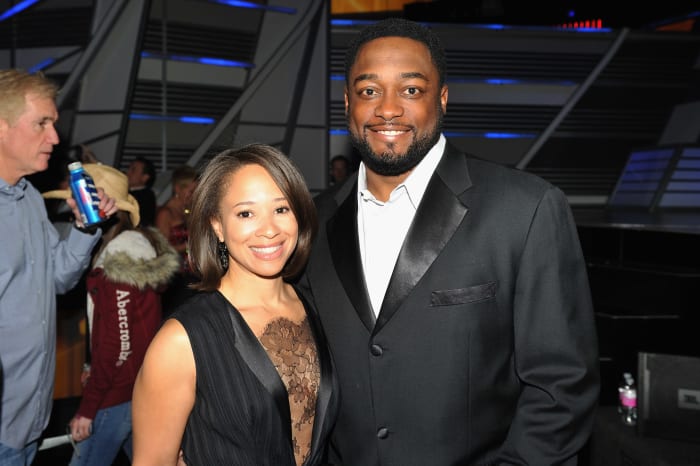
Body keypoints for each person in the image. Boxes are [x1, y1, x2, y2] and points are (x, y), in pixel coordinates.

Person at [299, 18, 600, 465]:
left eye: (411, 90)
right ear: (347, 103)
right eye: (368, 91)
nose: (387, 109)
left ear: (441, 99)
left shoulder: (526, 208)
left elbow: (561, 386)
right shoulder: (312, 220)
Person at [132, 143, 339, 466]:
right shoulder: (182, 340)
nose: (269, 229)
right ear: (217, 226)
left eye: (281, 209)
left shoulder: (317, 309)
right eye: (246, 213)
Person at [0, 68, 117, 465]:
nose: (55, 137)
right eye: (42, 124)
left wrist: (86, 228)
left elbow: (59, 279)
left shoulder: (30, 198)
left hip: (29, 419)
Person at [43, 163, 180, 466]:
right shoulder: (138, 248)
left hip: (118, 394)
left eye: (77, 205)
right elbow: (127, 334)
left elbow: (116, 347)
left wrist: (88, 408)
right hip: (137, 386)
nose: (71, 213)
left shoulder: (117, 266)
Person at [155, 164, 198, 314]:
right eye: (191, 191)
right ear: (178, 189)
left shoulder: (187, 211)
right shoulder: (165, 213)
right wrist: (189, 246)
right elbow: (162, 248)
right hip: (174, 277)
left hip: (190, 273)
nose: (194, 195)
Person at [126, 156, 157, 228]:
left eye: (133, 170)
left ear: (144, 177)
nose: (128, 172)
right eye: (129, 169)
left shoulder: (146, 197)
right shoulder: (126, 191)